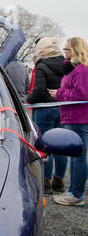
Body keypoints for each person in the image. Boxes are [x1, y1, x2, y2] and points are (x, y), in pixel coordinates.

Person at [50, 37, 88, 206]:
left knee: (79, 157)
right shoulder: (75, 70)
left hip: (78, 118)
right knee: (75, 156)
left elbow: (82, 95)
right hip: (71, 116)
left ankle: (76, 194)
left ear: (75, 51)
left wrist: (58, 94)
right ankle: (73, 191)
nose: (64, 53)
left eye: (66, 50)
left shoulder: (81, 71)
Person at [26, 37, 67, 194]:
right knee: (61, 146)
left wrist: (27, 100)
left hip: (45, 110)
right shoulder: (65, 64)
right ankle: (59, 181)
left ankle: (46, 182)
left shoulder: (42, 65)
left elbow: (38, 92)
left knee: (45, 145)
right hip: (63, 108)